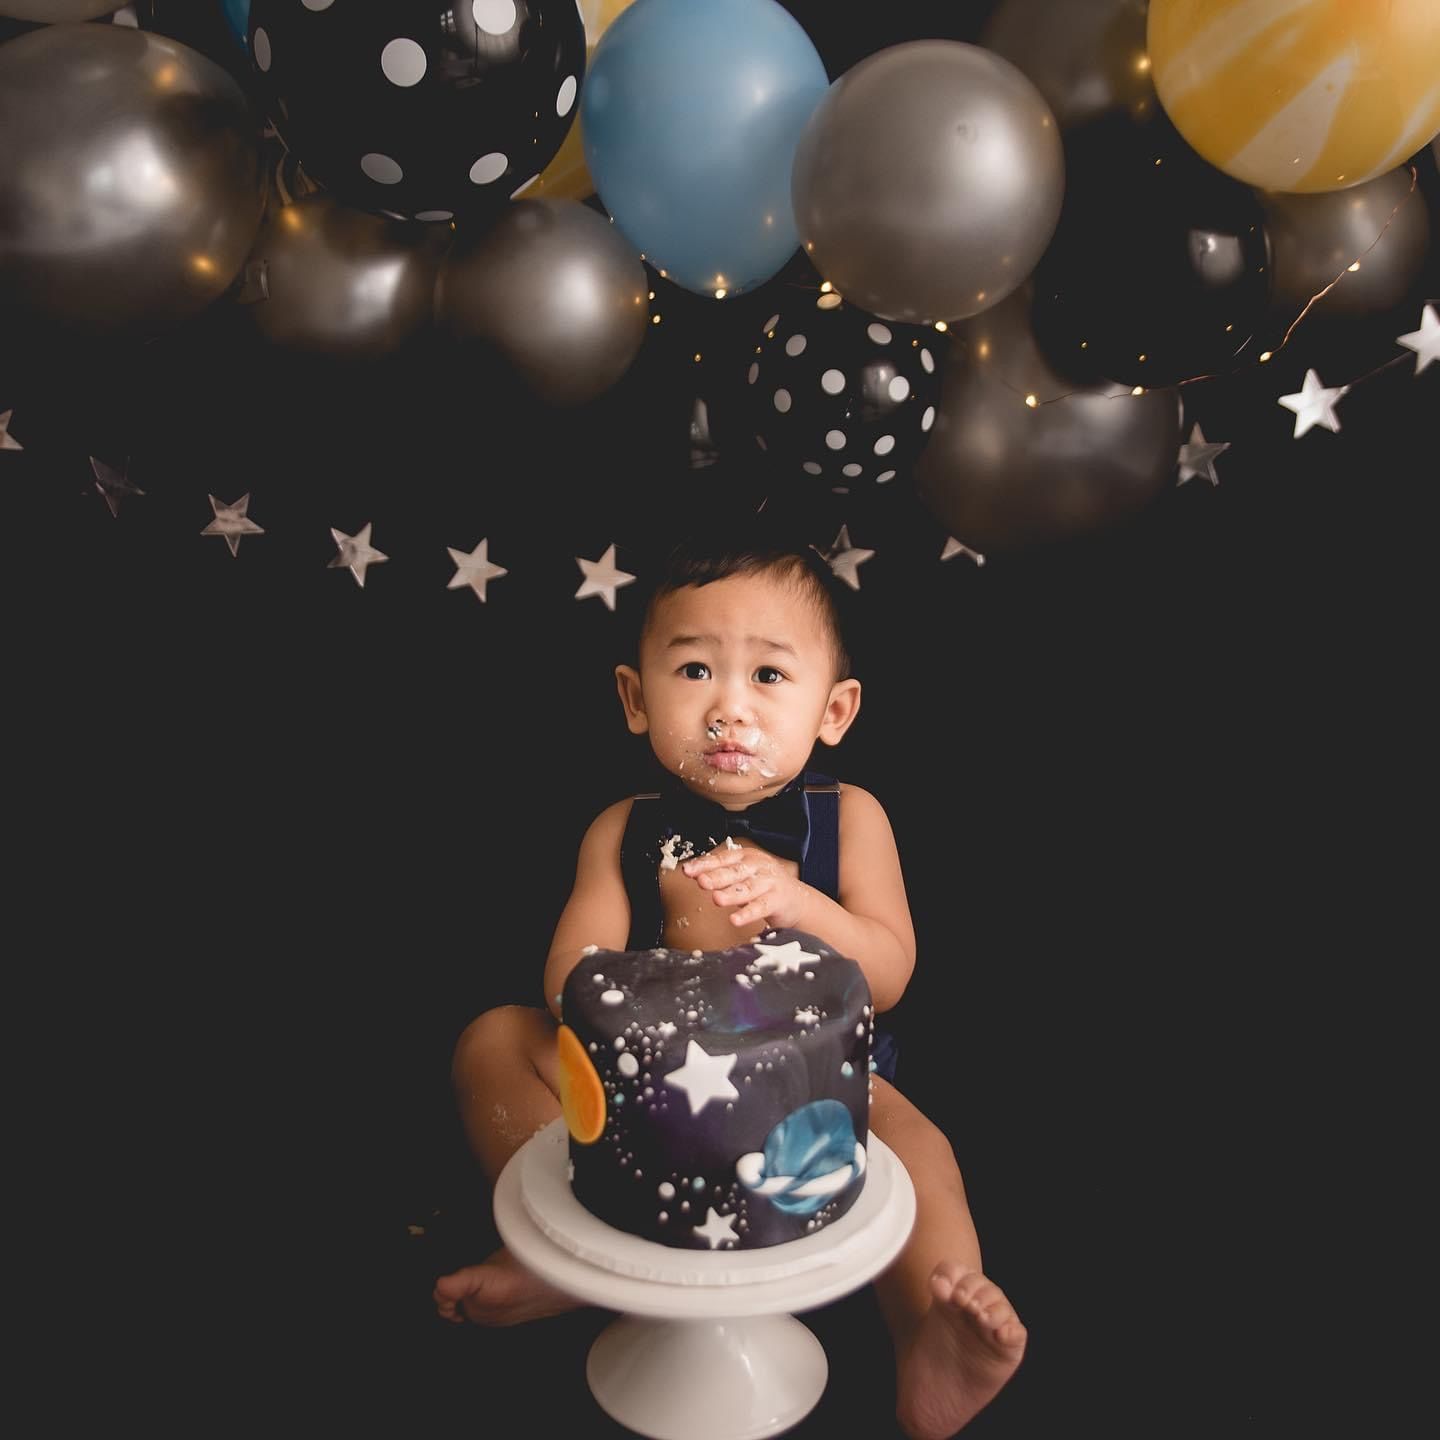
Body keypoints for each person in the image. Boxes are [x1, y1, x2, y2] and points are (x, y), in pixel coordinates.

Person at [433, 519, 1027, 1438]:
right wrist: (635, 1002)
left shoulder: (849, 819)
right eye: (695, 669)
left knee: (926, 1151)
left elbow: (889, 972)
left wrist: (802, 905)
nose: (729, 709)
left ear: (834, 711)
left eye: (770, 676)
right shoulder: (623, 829)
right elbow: (568, 977)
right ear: (635, 699)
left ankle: (929, 1331)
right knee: (493, 1040)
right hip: (648, 1088)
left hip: (817, 1090)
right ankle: (560, 1251)